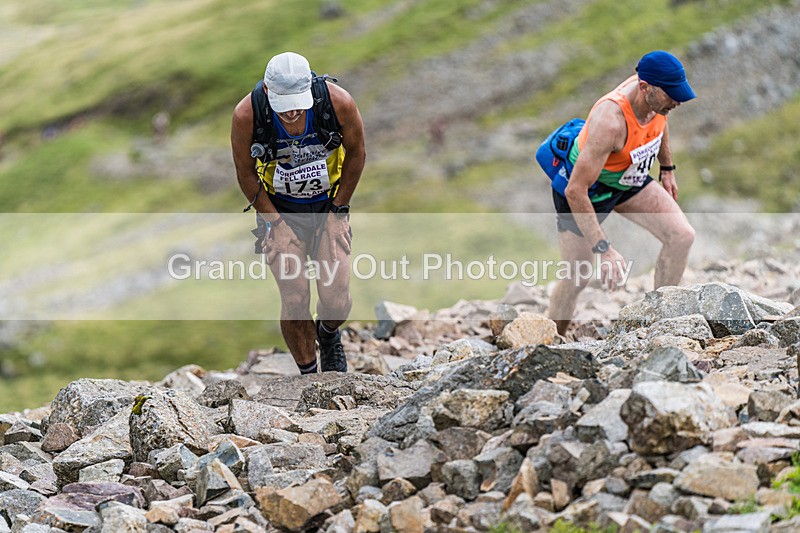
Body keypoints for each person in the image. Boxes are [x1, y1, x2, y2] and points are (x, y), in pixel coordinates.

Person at [231, 51, 366, 374]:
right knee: (294, 295)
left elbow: (357, 154)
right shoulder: (247, 114)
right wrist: (274, 223)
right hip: (278, 208)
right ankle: (309, 377)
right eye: (283, 104)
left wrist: (338, 212)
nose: (291, 112)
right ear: (267, 91)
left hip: (326, 205)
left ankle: (329, 333)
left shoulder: (338, 104)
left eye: (298, 103)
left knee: (336, 297)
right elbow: (245, 173)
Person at [545, 50, 697, 336]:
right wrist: (605, 250)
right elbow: (575, 190)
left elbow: (660, 122)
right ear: (645, 89)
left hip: (629, 177)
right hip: (588, 190)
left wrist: (667, 167)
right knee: (578, 276)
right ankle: (549, 341)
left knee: (682, 236)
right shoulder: (610, 121)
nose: (677, 102)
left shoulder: (656, 99)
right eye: (671, 95)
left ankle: (660, 322)